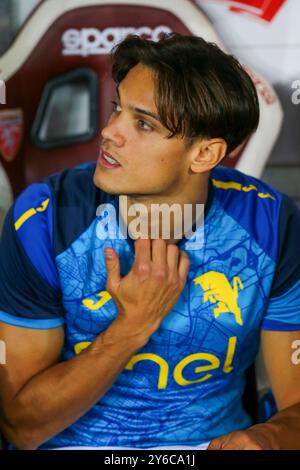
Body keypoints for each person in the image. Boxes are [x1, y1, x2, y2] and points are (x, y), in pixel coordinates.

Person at [0, 34, 300, 451]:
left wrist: (265, 439)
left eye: (142, 123)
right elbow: (21, 426)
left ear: (204, 154)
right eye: (117, 109)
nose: (108, 132)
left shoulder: (272, 223)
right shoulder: (44, 219)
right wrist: (132, 326)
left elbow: (296, 407)